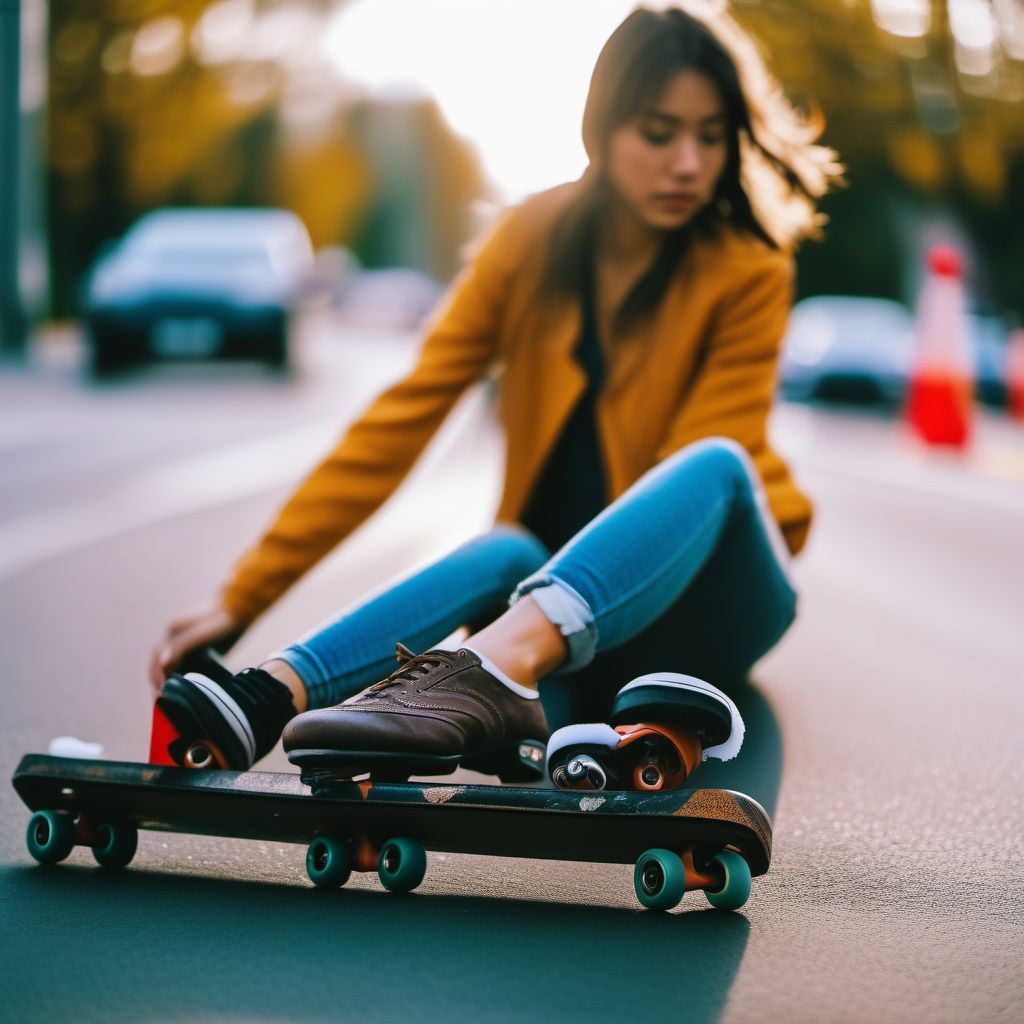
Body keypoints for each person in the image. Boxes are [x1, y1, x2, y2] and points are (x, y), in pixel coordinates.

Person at [150, 3, 842, 787]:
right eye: (659, 133)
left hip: (711, 596)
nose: (688, 162)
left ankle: (492, 676)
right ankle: (270, 694)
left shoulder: (748, 268)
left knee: (714, 463)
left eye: (710, 136)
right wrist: (243, 598)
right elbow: (404, 415)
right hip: (551, 620)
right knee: (508, 545)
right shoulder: (531, 238)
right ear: (603, 129)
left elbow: (673, 483)